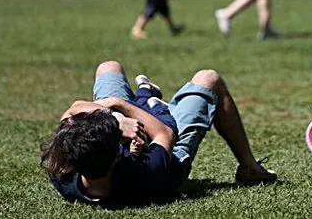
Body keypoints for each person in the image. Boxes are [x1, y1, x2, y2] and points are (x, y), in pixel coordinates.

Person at [41, 61, 276, 208]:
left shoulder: (63, 171)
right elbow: (164, 133)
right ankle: (249, 168)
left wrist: (115, 120)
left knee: (108, 67)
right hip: (168, 148)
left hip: (121, 135)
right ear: (116, 155)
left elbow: (72, 110)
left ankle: (144, 97)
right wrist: (119, 107)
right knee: (209, 79)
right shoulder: (146, 172)